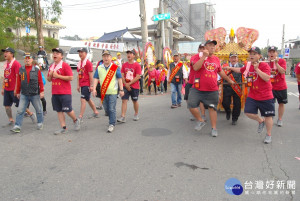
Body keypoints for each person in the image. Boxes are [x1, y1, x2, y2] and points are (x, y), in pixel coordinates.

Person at [225, 46, 274, 144]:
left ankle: (268, 135)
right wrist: (230, 68)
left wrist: (257, 69)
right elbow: (240, 70)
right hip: (253, 94)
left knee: (268, 116)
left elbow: (267, 78)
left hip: (265, 95)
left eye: (254, 54)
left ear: (259, 56)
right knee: (248, 112)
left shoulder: (264, 65)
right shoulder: (247, 65)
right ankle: (260, 121)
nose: (251, 55)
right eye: (250, 54)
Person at [188, 40, 234, 137]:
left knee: (212, 108)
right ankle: (200, 120)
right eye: (210, 45)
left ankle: (214, 128)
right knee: (191, 104)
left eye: (213, 45)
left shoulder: (216, 59)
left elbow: (220, 72)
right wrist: (204, 56)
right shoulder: (196, 57)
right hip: (197, 88)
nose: (212, 47)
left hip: (212, 89)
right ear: (205, 47)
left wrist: (228, 80)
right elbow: (196, 68)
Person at [47, 48, 80, 135]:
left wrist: (58, 76)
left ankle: (75, 120)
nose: (55, 55)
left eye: (57, 53)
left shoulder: (65, 65)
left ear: (61, 56)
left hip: (65, 92)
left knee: (68, 110)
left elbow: (70, 77)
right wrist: (50, 76)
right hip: (55, 92)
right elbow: (49, 79)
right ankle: (63, 127)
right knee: (59, 110)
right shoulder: (51, 66)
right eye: (54, 53)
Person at [10, 53, 44, 133]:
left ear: (32, 60)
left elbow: (40, 81)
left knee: (38, 109)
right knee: (20, 110)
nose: (27, 60)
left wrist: (42, 91)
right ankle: (17, 126)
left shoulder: (36, 70)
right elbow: (19, 82)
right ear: (24, 60)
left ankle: (40, 122)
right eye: (25, 58)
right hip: (24, 94)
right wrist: (17, 92)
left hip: (34, 93)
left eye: (29, 58)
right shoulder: (21, 69)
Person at [92, 50, 124, 133]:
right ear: (102, 58)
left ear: (110, 57)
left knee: (112, 108)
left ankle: (111, 124)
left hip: (113, 92)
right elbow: (95, 78)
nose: (106, 58)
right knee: (106, 108)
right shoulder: (99, 68)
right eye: (104, 56)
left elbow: (119, 79)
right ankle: (111, 119)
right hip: (103, 92)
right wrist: (94, 88)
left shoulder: (115, 67)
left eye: (107, 56)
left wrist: (121, 90)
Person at [117, 49, 142, 122]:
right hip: (125, 86)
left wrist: (129, 84)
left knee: (134, 100)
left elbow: (138, 77)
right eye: (128, 53)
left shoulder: (137, 65)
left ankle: (136, 114)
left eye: (131, 53)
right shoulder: (124, 65)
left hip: (134, 86)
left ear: (134, 55)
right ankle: (123, 116)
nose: (129, 55)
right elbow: (122, 75)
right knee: (124, 100)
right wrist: (125, 84)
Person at [76, 47, 99, 122]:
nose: (80, 54)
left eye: (82, 52)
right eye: (79, 52)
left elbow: (91, 75)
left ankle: (80, 116)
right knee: (87, 99)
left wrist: (91, 86)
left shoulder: (88, 63)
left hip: (87, 84)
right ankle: (95, 111)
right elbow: (78, 75)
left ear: (86, 53)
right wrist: (78, 85)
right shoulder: (79, 63)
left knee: (83, 99)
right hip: (82, 84)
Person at [1, 47, 21, 127]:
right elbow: (5, 77)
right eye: (4, 52)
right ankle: (11, 119)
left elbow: (18, 77)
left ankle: (30, 113)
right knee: (7, 106)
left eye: (7, 52)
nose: (5, 54)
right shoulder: (6, 64)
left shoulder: (16, 64)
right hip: (7, 88)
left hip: (14, 89)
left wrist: (16, 89)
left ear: (12, 54)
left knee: (20, 105)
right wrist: (3, 88)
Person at [267, 46, 287, 127]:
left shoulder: (282, 61)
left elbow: (282, 71)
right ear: (268, 53)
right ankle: (270, 118)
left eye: (273, 52)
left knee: (281, 103)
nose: (271, 53)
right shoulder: (266, 62)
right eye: (270, 52)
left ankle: (280, 119)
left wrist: (276, 63)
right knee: (270, 103)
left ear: (276, 53)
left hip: (281, 86)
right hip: (270, 87)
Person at [222, 52, 243, 125]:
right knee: (225, 103)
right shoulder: (224, 66)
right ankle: (228, 112)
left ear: (237, 59)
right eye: (232, 57)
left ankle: (235, 118)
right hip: (227, 87)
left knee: (237, 104)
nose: (233, 59)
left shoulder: (241, 66)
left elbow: (244, 74)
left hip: (237, 87)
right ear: (229, 59)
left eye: (235, 57)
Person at [187, 44, 207, 121]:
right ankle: (194, 113)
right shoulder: (194, 57)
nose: (202, 50)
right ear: (198, 50)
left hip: (201, 82)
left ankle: (203, 115)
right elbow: (194, 65)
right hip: (192, 81)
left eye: (203, 48)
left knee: (201, 100)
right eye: (200, 48)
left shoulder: (208, 58)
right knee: (188, 98)